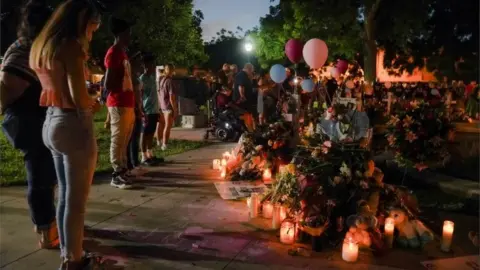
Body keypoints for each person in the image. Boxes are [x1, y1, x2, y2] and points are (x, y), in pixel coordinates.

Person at [29, 0, 102, 268]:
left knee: (65, 195)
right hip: (72, 124)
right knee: (76, 201)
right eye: (93, 26)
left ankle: (68, 252)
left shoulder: (41, 46)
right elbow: (77, 96)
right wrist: (91, 103)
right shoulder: (71, 46)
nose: (92, 33)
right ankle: (74, 261)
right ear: (82, 21)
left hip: (51, 122)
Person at [0, 0, 58, 249]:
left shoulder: (33, 47)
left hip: (38, 118)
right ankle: (45, 229)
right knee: (40, 176)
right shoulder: (23, 50)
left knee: (48, 175)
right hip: (27, 120)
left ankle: (50, 222)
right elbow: (6, 90)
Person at [104, 17, 135, 189]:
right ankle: (116, 174)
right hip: (118, 103)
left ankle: (123, 169)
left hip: (127, 102)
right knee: (118, 139)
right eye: (128, 33)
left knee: (124, 138)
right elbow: (108, 83)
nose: (130, 36)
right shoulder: (114, 52)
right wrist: (123, 87)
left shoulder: (122, 53)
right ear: (121, 33)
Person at [126, 52, 146, 176]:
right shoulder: (131, 77)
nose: (141, 66)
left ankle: (134, 162)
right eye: (139, 63)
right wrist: (137, 109)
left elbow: (139, 95)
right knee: (131, 138)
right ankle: (130, 163)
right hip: (132, 110)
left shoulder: (136, 77)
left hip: (137, 109)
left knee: (135, 137)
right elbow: (134, 95)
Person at [140, 54, 162, 165]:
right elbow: (140, 96)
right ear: (146, 65)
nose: (154, 66)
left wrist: (158, 109)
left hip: (154, 110)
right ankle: (143, 157)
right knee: (144, 134)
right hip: (146, 110)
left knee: (151, 134)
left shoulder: (153, 78)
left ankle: (150, 154)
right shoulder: (142, 79)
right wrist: (141, 110)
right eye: (152, 64)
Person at [157, 63, 178, 150]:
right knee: (167, 126)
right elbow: (171, 98)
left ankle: (159, 141)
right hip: (168, 106)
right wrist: (175, 109)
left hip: (162, 105)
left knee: (161, 124)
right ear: (172, 70)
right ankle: (165, 145)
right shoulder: (170, 81)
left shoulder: (161, 79)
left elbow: (158, 93)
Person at [233, 63, 256, 131]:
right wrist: (242, 96)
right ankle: (248, 129)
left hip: (245, 99)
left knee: (248, 113)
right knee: (247, 113)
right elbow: (241, 86)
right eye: (252, 70)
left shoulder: (244, 75)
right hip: (242, 100)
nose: (252, 72)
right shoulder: (242, 75)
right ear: (249, 69)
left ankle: (249, 128)